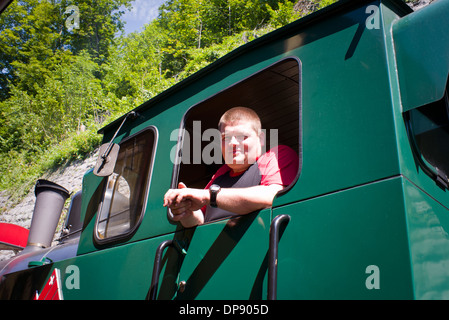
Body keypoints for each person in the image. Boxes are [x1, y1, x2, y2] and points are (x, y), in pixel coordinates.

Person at [163, 107, 299, 228]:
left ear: (261, 138)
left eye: (242, 136)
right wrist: (185, 210)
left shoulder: (275, 156)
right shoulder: (220, 174)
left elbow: (272, 196)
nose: (233, 143)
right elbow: (200, 220)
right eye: (225, 138)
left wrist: (207, 195)